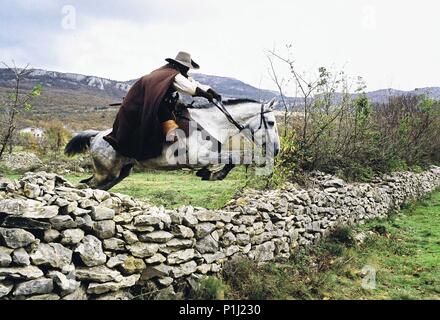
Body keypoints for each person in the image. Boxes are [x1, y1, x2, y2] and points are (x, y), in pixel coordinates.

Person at [103, 51, 222, 161]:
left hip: (157, 102)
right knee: (165, 114)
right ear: (179, 65)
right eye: (186, 67)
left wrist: (211, 91)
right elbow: (190, 88)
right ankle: (175, 144)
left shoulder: (172, 72)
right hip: (143, 104)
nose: (187, 70)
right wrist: (206, 95)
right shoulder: (173, 74)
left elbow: (193, 83)